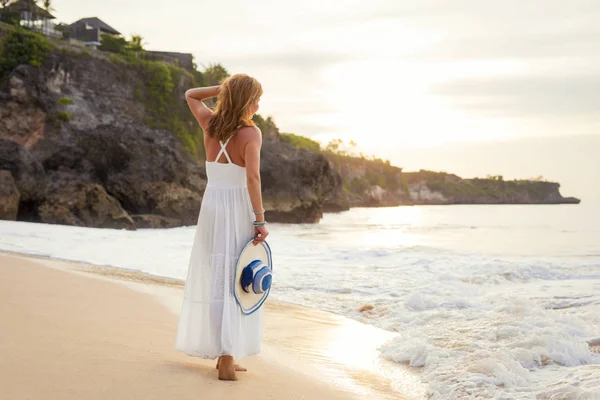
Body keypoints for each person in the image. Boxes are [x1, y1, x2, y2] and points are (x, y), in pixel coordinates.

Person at [174, 74, 269, 381]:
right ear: (245, 100)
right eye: (255, 99)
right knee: (236, 279)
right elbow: (253, 179)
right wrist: (260, 219)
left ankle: (223, 355)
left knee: (218, 277)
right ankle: (227, 357)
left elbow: (191, 94)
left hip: (212, 205)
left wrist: (224, 89)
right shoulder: (251, 133)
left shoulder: (211, 125)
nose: (257, 105)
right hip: (237, 207)